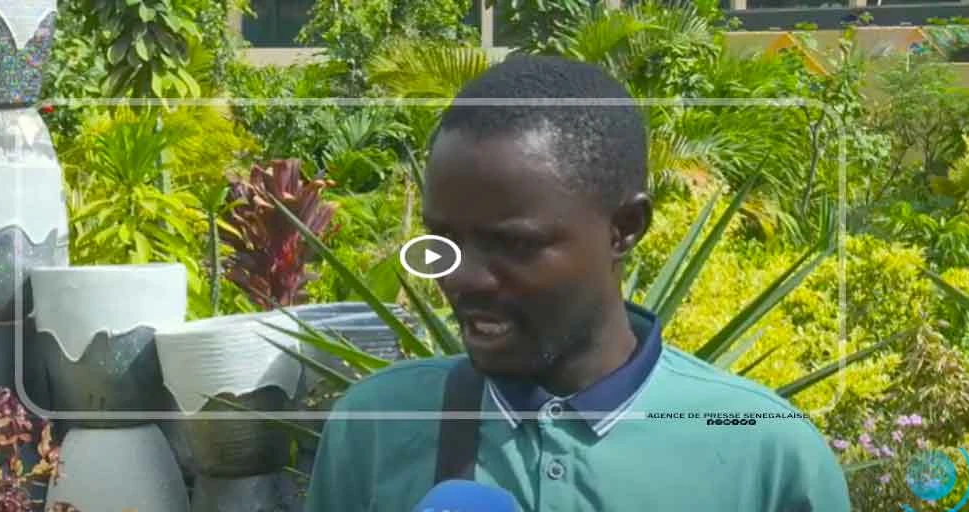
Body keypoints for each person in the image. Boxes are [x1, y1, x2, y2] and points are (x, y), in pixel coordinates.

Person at [304, 54, 852, 511]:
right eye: (445, 241)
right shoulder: (375, 427)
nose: (462, 277)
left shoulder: (766, 453)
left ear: (624, 229)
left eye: (514, 244)